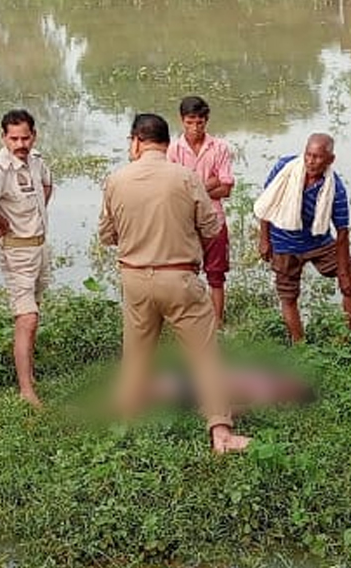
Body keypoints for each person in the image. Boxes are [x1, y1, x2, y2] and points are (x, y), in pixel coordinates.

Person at [98, 113, 251, 453]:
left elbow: (107, 235)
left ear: (136, 141)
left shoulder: (116, 179)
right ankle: (221, 433)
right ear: (167, 144)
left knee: (136, 353)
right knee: (204, 355)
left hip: (135, 278)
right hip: (179, 277)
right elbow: (211, 228)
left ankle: (126, 418)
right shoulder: (186, 177)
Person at [0, 109, 52, 407]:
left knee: (34, 312)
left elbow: (47, 186)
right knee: (26, 318)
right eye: (13, 138)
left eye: (25, 137)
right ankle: (26, 391)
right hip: (16, 251)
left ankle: (29, 373)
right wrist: (2, 223)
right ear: (3, 137)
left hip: (39, 247)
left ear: (34, 136)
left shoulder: (37, 159)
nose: (20, 144)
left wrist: (35, 215)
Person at [253, 132, 351, 343]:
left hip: (317, 240)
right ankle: (300, 344)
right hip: (284, 240)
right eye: (308, 155)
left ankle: (344, 339)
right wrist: (264, 238)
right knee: (288, 295)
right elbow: (267, 202)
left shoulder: (335, 187)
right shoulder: (285, 168)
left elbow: (342, 232)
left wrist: (343, 272)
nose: (310, 161)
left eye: (317, 157)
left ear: (330, 160)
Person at [169, 95, 236, 328]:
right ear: (182, 120)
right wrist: (209, 184)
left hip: (214, 220)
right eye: (190, 122)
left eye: (200, 122)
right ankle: (191, 323)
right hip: (185, 223)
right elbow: (174, 191)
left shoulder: (219, 148)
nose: (195, 127)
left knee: (216, 275)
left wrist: (193, 189)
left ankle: (216, 323)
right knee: (185, 274)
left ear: (206, 121)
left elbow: (226, 188)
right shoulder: (173, 150)